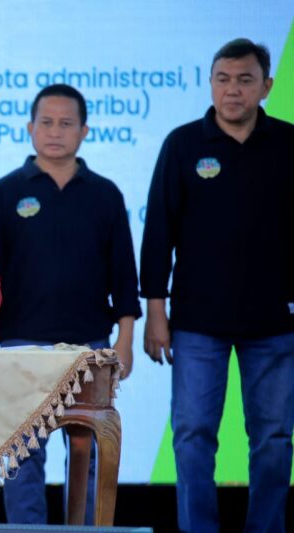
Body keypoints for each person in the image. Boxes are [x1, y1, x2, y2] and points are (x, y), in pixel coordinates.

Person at [140, 38, 294, 533]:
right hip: (196, 321)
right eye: (223, 79)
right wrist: (156, 312)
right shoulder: (183, 144)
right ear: (210, 84)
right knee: (191, 435)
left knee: (274, 439)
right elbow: (158, 231)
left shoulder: (289, 144)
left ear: (266, 86)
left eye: (245, 80)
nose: (233, 90)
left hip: (275, 321)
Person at [0, 84, 141, 525]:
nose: (55, 131)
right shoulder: (6, 192)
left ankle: (86, 530)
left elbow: (123, 275)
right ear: (30, 128)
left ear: (84, 131)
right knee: (23, 455)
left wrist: (124, 341)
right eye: (46, 122)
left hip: (89, 345)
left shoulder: (104, 194)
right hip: (20, 344)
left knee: (87, 453)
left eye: (66, 123)